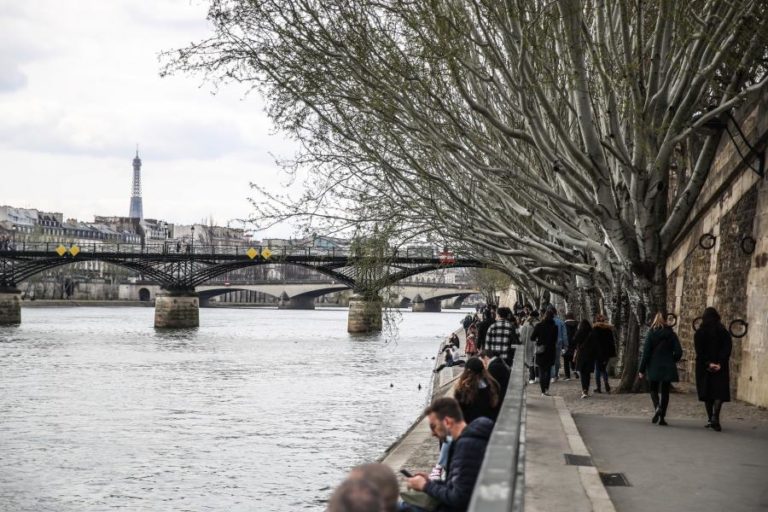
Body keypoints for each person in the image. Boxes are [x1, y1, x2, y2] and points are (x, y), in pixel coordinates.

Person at [403, 397, 493, 512]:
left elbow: (459, 498)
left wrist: (425, 486)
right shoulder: (468, 440)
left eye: (433, 426)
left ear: (447, 422)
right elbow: (458, 486)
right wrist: (430, 482)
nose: (432, 433)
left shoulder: (467, 446)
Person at [638, 313, 683, 426]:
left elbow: (646, 354)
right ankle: (662, 418)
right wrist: (672, 359)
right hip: (668, 365)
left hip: (654, 365)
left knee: (653, 388)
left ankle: (657, 407)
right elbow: (678, 352)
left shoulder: (651, 334)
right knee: (665, 391)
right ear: (665, 321)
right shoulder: (671, 334)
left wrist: (641, 370)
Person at [694, 307, 733, 432]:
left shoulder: (700, 333)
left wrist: (708, 363)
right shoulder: (723, 332)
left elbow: (700, 351)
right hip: (720, 366)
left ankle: (711, 418)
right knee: (718, 392)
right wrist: (720, 363)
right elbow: (727, 349)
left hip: (704, 367)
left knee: (707, 392)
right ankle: (715, 416)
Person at [454, 357, 500, 423]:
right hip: (490, 425)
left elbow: (459, 413)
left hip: (471, 426)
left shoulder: (463, 390)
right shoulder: (493, 385)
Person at [531, 308, 558, 396]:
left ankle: (543, 391)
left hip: (541, 350)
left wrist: (538, 340)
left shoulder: (539, 325)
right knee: (548, 371)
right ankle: (546, 389)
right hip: (551, 350)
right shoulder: (554, 327)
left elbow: (532, 337)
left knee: (542, 371)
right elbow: (555, 339)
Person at [589, 314, 616, 393]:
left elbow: (592, 342)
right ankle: (606, 382)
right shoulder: (608, 329)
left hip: (598, 353)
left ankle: (599, 387)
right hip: (606, 353)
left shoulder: (595, 329)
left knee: (597, 370)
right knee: (603, 369)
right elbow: (611, 342)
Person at [571, 319, 594, 398]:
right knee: (587, 373)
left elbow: (574, 340)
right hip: (590, 355)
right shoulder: (591, 332)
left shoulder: (580, 332)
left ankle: (584, 390)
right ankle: (586, 389)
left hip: (581, 354)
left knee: (583, 373)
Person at [520, 311, 538, 384]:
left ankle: (531, 378)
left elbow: (522, 337)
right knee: (536, 360)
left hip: (528, 344)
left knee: (530, 361)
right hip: (537, 344)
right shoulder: (539, 323)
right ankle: (537, 376)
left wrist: (522, 344)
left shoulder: (526, 324)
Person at [563, 312, 579, 380]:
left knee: (566, 361)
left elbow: (565, 334)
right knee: (573, 359)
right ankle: (575, 371)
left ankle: (567, 376)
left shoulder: (565, 324)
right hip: (574, 343)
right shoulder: (577, 324)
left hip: (567, 344)